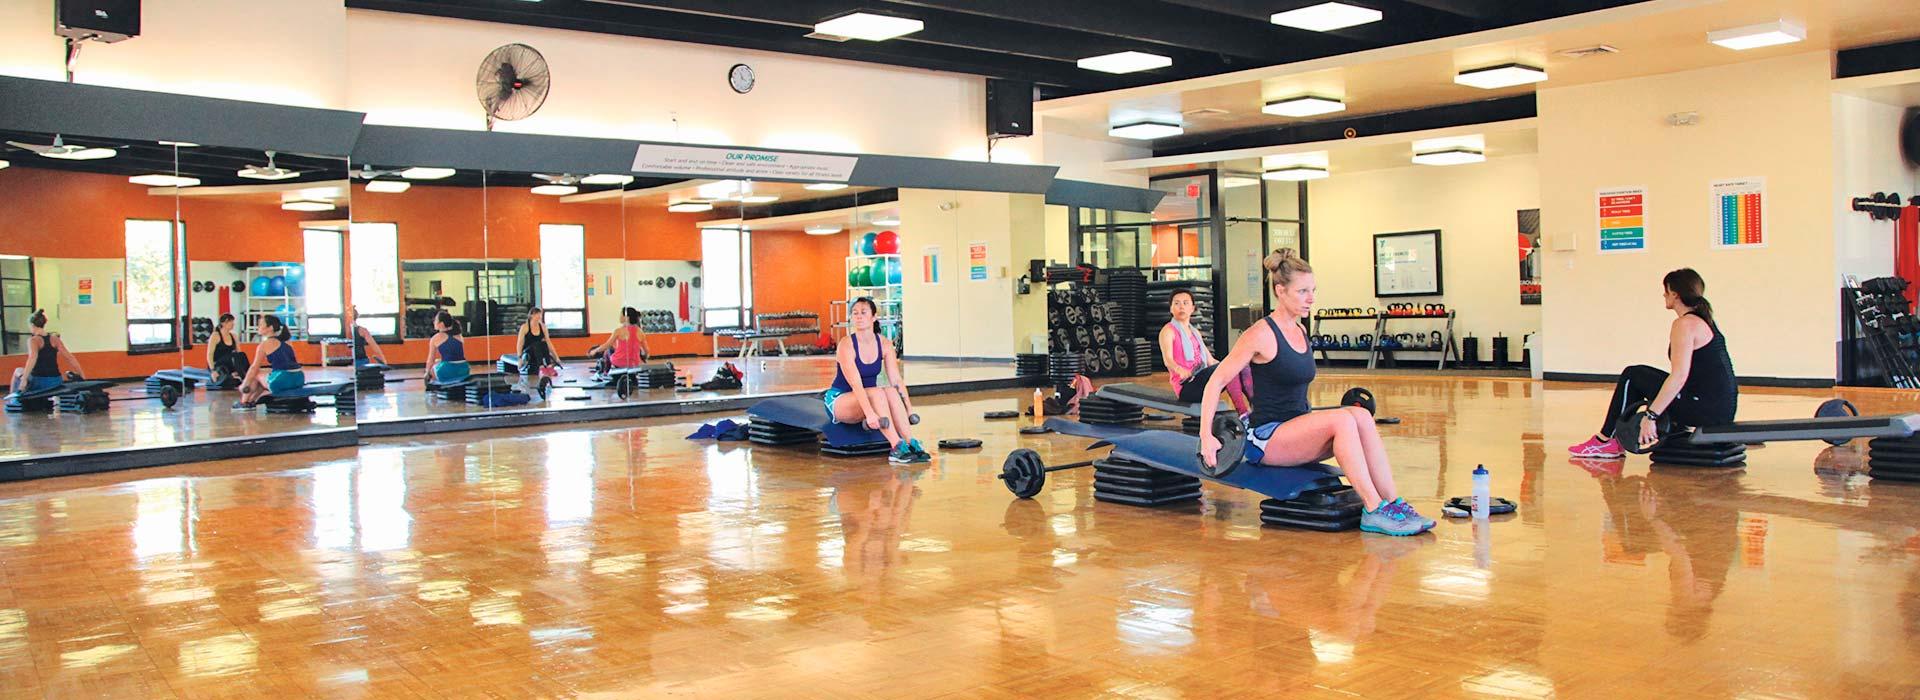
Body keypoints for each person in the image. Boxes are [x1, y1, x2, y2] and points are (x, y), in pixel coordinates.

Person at [1198, 249, 1433, 536]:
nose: (1311, 298)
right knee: (1342, 420)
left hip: (1298, 430)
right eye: (1303, 291)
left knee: (1359, 415)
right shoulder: (1259, 334)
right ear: (1280, 291)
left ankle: (1393, 504)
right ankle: (1373, 509)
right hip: (1267, 438)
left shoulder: (1300, 331)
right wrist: (1206, 437)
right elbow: (1215, 381)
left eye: (1313, 290)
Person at [1569, 268, 1737, 458]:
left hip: (1705, 411)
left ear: (1675, 294)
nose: (1664, 295)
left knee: (1633, 376)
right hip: (1716, 410)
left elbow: (1679, 376)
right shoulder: (1703, 320)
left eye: (1666, 290)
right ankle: (1616, 439)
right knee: (1639, 373)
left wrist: (1651, 416)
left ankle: (1605, 440)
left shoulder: (1685, 324)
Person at [828, 297, 928, 465]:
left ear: (874, 317)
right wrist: (869, 414)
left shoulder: (885, 344)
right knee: (877, 392)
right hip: (841, 400)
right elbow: (856, 383)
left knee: (889, 390)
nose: (858, 316)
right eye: (855, 313)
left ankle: (910, 442)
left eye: (863, 312)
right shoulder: (846, 345)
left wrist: (909, 409)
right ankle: (896, 446)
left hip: (872, 397)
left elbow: (896, 379)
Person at [1160, 288, 1253, 417]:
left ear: (1192, 308)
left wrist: (1232, 362)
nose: (1181, 307)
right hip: (1187, 386)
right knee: (1228, 367)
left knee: (1239, 365)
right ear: (1171, 308)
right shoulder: (1168, 331)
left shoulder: (1195, 332)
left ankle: (1257, 408)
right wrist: (1179, 369)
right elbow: (1167, 360)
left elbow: (1211, 361)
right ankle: (1243, 414)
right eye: (1177, 303)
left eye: (1185, 303)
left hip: (1202, 379)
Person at [9, 310, 82, 396]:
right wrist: (82, 375)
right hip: (56, 381)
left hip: (39, 381)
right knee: (22, 372)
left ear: (32, 325)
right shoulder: (55, 339)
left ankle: (13, 399)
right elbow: (70, 358)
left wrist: (24, 380)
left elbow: (32, 358)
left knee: (18, 370)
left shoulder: (33, 340)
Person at [238, 315, 303, 407]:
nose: (258, 327)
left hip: (284, 379)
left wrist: (244, 384)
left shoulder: (264, 345)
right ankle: (252, 401)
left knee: (255, 374)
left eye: (260, 324)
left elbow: (254, 368)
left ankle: (244, 402)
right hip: (299, 378)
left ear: (270, 328)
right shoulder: (287, 341)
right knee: (263, 373)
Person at [590, 307, 649, 377]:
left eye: (621, 314)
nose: (619, 317)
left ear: (627, 317)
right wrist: (643, 357)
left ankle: (606, 373)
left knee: (608, 350)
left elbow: (607, 345)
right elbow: (647, 351)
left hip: (619, 363)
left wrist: (595, 351)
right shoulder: (640, 332)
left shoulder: (619, 331)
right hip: (634, 364)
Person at [422, 310, 469, 385]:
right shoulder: (459, 335)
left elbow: (430, 360)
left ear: (441, 324)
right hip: (464, 369)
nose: (434, 322)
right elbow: (455, 356)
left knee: (432, 369)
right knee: (438, 361)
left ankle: (434, 392)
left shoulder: (436, 338)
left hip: (447, 370)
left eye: (436, 320)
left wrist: (427, 373)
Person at [514, 307, 560, 379]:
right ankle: (541, 367)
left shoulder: (543, 327)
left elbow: (549, 343)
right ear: (531, 315)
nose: (539, 316)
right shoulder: (525, 327)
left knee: (544, 343)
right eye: (537, 314)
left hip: (538, 349)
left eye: (540, 314)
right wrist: (519, 358)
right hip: (528, 351)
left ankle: (549, 366)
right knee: (536, 344)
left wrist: (556, 357)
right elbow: (520, 343)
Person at [206, 314, 247, 384]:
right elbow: (209, 355)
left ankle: (248, 374)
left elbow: (239, 353)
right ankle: (245, 378)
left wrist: (239, 368)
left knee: (241, 354)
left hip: (228, 362)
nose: (233, 324)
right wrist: (213, 371)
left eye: (233, 321)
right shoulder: (215, 335)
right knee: (234, 355)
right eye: (230, 321)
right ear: (223, 323)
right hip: (217, 363)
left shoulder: (234, 336)